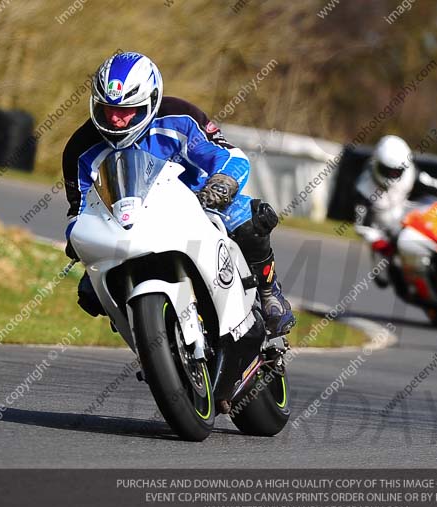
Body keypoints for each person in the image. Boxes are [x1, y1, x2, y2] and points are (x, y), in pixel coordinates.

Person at [62, 52, 295, 336]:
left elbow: (227, 155)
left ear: (151, 101)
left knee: (249, 219)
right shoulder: (79, 150)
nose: (115, 119)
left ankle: (268, 291)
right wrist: (79, 239)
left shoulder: (180, 118)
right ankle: (147, 337)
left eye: (127, 110)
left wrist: (221, 183)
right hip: (124, 226)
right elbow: (80, 208)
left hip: (199, 205)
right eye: (106, 108)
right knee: (90, 290)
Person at [353, 134, 437, 287]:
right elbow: (361, 225)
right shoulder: (364, 187)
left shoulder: (410, 172)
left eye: (396, 172)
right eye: (387, 170)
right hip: (384, 227)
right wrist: (378, 242)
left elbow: (435, 185)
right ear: (377, 163)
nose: (391, 176)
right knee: (383, 277)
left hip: (406, 210)